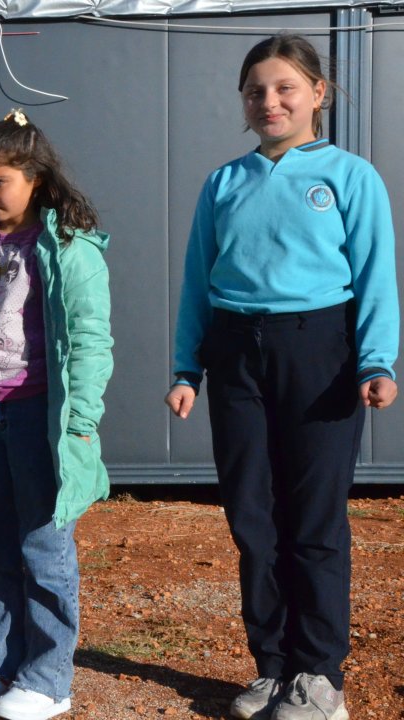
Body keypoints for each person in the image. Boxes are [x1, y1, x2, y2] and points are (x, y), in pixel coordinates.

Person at [165, 34, 398, 720]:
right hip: (237, 354)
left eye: (285, 87)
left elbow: (378, 275)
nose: (269, 100)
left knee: (314, 517)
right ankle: (270, 668)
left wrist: (377, 359)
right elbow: (196, 284)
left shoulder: (351, 178)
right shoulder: (224, 183)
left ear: (317, 94)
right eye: (256, 90)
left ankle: (319, 676)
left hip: (321, 351)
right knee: (252, 516)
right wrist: (188, 367)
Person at [0, 110, 113, 720]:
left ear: (36, 178)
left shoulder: (69, 248)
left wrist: (80, 419)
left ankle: (48, 677)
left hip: (41, 420)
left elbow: (90, 339)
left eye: (0, 181)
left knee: (43, 547)